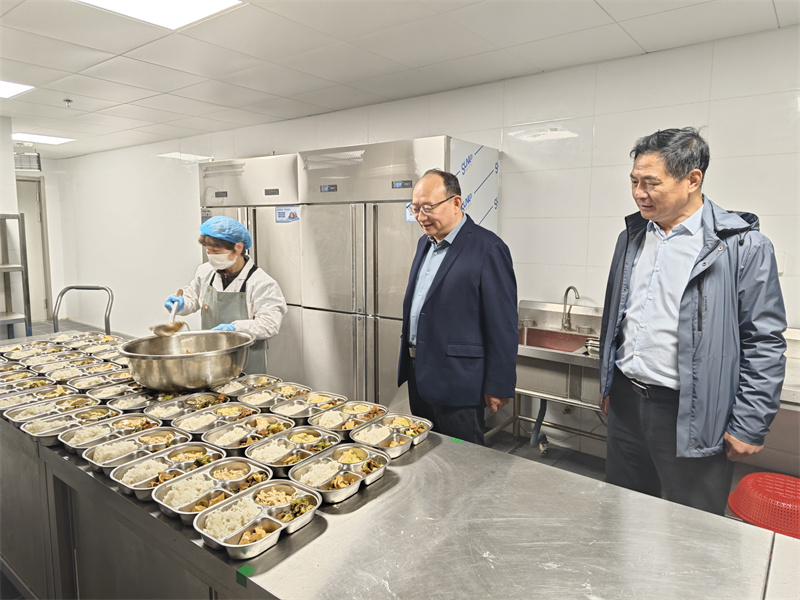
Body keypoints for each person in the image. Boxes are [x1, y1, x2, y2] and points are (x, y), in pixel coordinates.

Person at [598, 127, 786, 514]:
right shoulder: (631, 237)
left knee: (691, 527)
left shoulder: (741, 245)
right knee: (623, 514)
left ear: (692, 179)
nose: (638, 193)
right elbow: (616, 318)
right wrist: (608, 385)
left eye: (651, 183)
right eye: (634, 181)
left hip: (692, 412)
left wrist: (750, 422)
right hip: (627, 403)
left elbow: (763, 341)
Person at [397, 169, 518, 445]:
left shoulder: (488, 248)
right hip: (420, 375)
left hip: (459, 382)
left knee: (463, 459)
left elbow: (503, 325)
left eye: (428, 208)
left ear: (456, 202)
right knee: (426, 451)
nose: (421, 217)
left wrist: (499, 385)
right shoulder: (424, 244)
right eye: (415, 208)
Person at [164, 215, 287, 374]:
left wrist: (234, 328)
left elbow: (269, 325)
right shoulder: (205, 271)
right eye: (208, 251)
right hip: (210, 361)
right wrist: (180, 304)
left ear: (238, 248)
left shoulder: (262, 283)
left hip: (246, 363)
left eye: (216, 251)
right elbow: (193, 297)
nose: (211, 256)